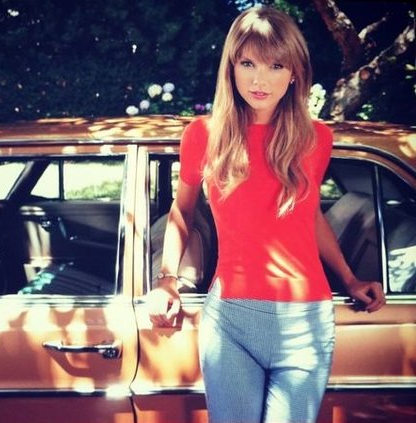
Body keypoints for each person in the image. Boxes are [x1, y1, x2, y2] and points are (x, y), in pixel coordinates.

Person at [147, 5, 386, 423]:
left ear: (294, 72)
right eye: (248, 63)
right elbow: (182, 212)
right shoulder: (203, 135)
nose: (260, 80)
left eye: (276, 65)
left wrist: (349, 279)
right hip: (231, 321)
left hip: (305, 324)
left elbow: (307, 216)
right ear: (231, 67)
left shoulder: (316, 138)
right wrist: (167, 280)